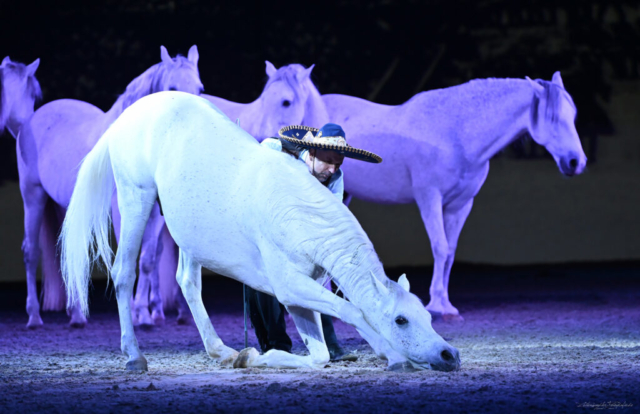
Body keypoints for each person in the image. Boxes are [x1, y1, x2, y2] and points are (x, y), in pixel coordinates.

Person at [246, 123, 382, 361]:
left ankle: (330, 346)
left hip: (305, 236)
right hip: (268, 230)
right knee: (260, 280)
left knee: (319, 279)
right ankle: (276, 346)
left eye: (337, 164)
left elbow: (329, 218)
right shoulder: (277, 153)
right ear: (311, 154)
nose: (332, 169)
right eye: (328, 162)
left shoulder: (335, 179)